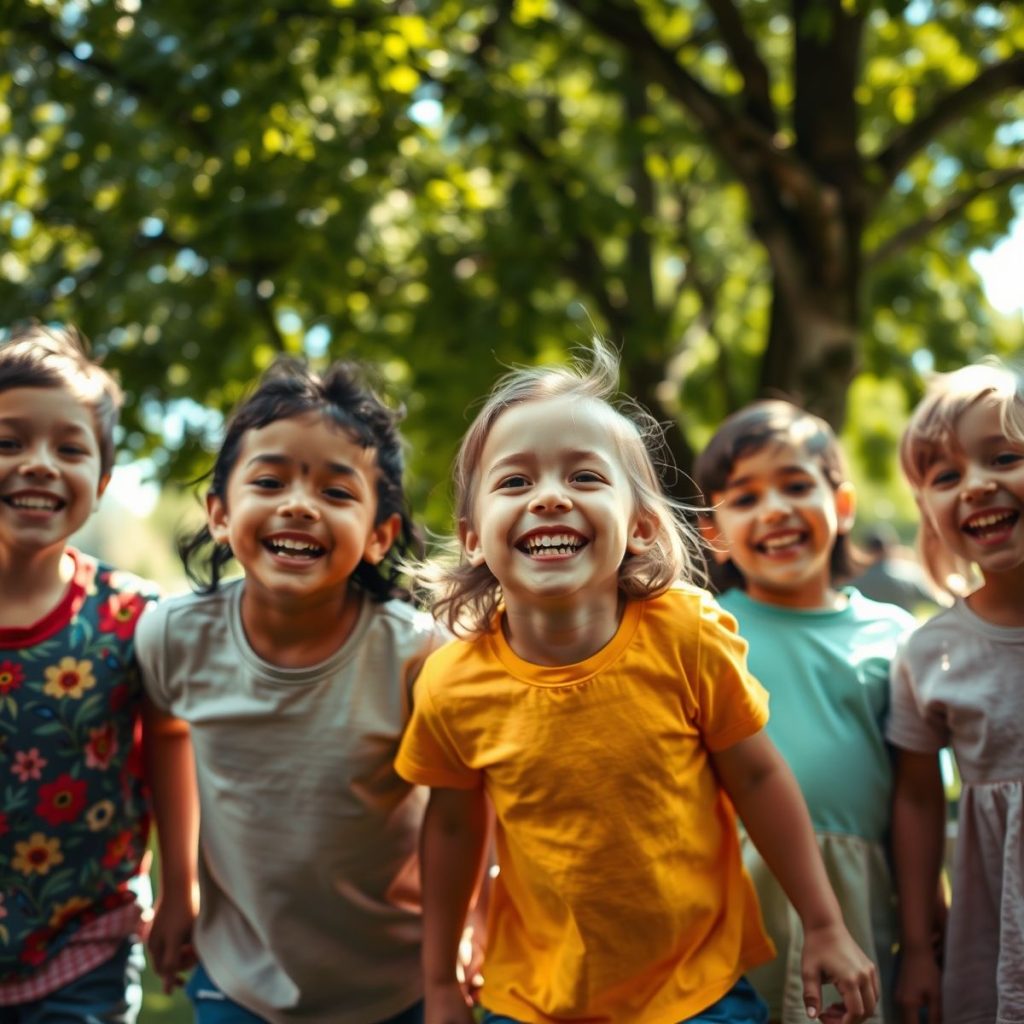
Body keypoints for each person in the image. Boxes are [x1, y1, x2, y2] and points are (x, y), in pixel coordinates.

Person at [395, 341, 879, 1024]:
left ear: (642, 524)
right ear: (474, 537)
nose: (551, 497)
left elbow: (760, 778)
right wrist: (441, 983)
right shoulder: (452, 685)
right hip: (532, 997)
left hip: (695, 988)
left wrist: (824, 924)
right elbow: (451, 828)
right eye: (515, 482)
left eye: (585, 478)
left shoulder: (685, 635)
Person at [134, 356, 450, 1024]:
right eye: (270, 481)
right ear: (220, 514)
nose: (299, 505)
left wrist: (469, 925)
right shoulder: (174, 637)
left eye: (337, 493)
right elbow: (165, 730)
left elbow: (464, 805)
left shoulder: (415, 654)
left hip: (398, 980)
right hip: (238, 975)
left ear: (378, 535)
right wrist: (178, 890)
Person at [694, 400, 919, 1023]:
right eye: (744, 498)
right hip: (730, 897)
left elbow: (916, 797)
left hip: (856, 893)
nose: (774, 510)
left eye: (796, 486)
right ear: (713, 532)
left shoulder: (894, 637)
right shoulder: (704, 632)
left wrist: (926, 939)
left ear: (842, 506)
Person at [0, 323, 195, 1021]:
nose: (39, 464)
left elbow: (170, 742)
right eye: (10, 441)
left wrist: (180, 888)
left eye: (69, 449)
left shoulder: (135, 616)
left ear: (102, 481)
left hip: (84, 943)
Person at [887, 361, 1024, 1024]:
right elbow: (915, 797)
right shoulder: (928, 653)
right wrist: (918, 948)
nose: (976, 484)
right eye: (946, 475)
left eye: (1002, 456)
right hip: (996, 924)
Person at [853, 524, 937, 614]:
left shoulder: (853, 579)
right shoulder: (907, 574)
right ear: (889, 548)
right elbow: (936, 597)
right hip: (905, 627)